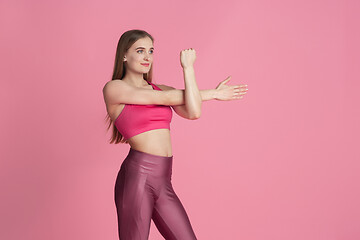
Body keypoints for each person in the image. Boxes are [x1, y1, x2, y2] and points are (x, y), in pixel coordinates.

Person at [102, 29, 248, 240]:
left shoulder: (159, 88)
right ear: (124, 55)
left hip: (163, 179)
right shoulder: (114, 88)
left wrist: (189, 70)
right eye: (140, 51)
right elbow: (169, 98)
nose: (147, 57)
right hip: (137, 176)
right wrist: (212, 92)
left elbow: (193, 111)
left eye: (151, 51)